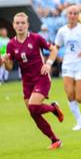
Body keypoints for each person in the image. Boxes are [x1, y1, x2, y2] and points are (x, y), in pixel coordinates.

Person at [0, 13, 64, 149]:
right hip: (27, 82)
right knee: (33, 114)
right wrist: (4, 61)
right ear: (13, 25)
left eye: (23, 23)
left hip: (41, 77)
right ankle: (55, 140)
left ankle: (53, 109)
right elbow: (10, 67)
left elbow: (53, 50)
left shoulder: (36, 38)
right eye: (17, 23)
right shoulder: (11, 44)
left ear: (27, 25)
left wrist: (48, 64)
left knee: (34, 107)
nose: (20, 25)